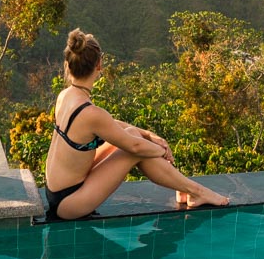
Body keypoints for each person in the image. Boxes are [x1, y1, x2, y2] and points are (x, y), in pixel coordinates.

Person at [44, 28, 229, 221]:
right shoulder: (91, 113)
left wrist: (148, 135)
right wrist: (161, 150)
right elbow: (134, 146)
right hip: (70, 203)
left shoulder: (65, 96)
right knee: (134, 149)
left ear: (69, 64)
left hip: (57, 192)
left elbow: (111, 125)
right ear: (99, 65)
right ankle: (196, 191)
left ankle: (185, 190)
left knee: (133, 133)